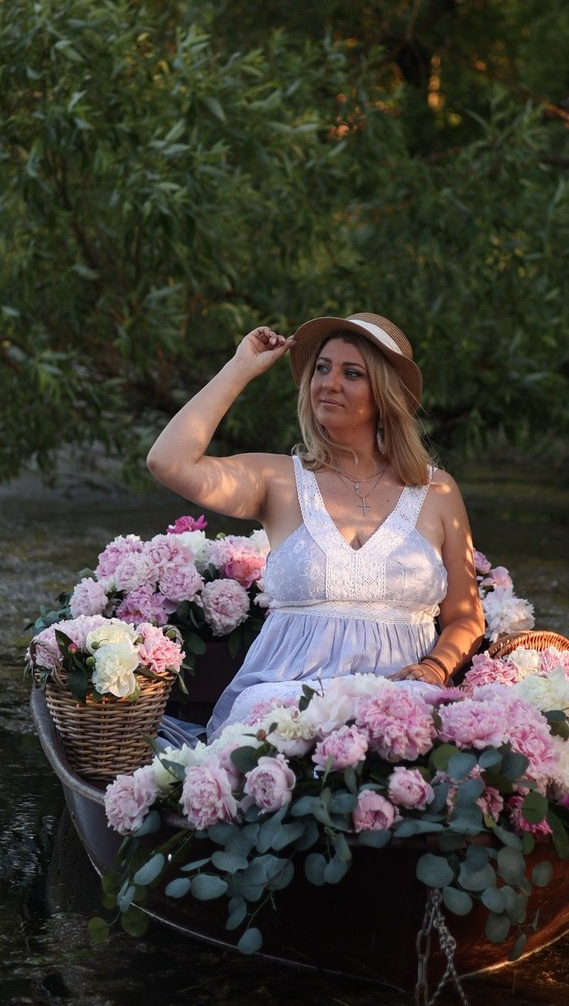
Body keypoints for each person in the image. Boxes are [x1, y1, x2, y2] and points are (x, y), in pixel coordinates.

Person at [147, 312, 485, 737]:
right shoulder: (277, 480)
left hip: (400, 699)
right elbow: (168, 461)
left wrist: (434, 669)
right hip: (286, 699)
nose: (329, 382)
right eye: (321, 368)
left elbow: (466, 616)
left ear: (384, 393)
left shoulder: (437, 491)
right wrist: (240, 368)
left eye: (352, 373)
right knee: (271, 721)